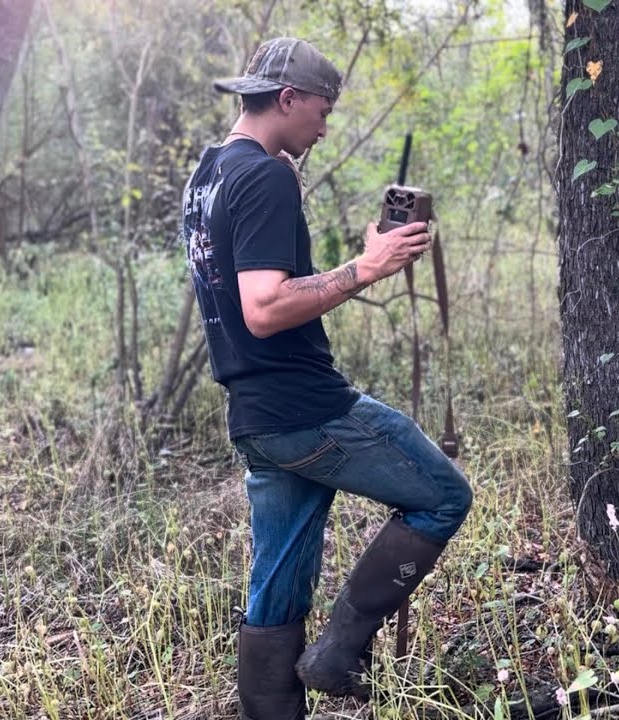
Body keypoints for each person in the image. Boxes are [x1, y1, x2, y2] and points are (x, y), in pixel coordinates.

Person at [179, 37, 472, 720]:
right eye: (323, 109)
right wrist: (365, 269)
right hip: (305, 407)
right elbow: (264, 306)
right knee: (443, 496)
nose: (325, 124)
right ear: (288, 99)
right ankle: (340, 651)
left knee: (277, 581)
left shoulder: (208, 175)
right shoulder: (265, 174)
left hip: (255, 416)